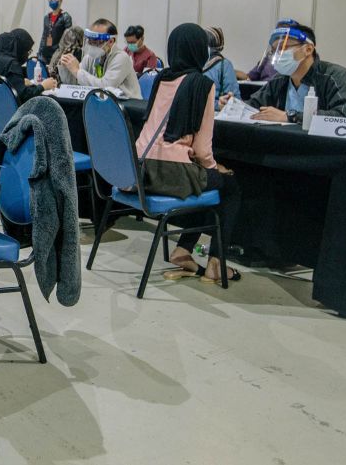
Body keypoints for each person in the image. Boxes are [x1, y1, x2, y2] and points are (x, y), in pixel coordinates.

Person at [137, 23, 242, 284]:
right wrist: (214, 168)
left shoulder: (161, 79)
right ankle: (216, 263)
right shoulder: (202, 84)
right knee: (228, 186)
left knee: (202, 185)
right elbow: (203, 150)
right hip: (171, 174)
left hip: (139, 170)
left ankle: (184, 251)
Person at [224, 22, 346, 124]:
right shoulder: (279, 79)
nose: (277, 54)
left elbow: (345, 117)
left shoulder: (336, 76)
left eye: (284, 47)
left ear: (308, 49)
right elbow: (253, 105)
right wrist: (233, 106)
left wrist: (289, 116)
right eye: (274, 50)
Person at [0, 29, 54, 134]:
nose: (27, 55)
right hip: (2, 126)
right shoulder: (11, 64)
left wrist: (19, 83)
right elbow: (24, 95)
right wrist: (43, 86)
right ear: (19, 48)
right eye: (27, 51)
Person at [58, 19, 142, 99]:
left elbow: (106, 87)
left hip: (128, 105)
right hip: (103, 103)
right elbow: (76, 84)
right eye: (89, 41)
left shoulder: (121, 58)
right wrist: (66, 68)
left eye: (96, 41)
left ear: (110, 41)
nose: (91, 45)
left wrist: (77, 71)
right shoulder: (90, 57)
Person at [203, 26, 241, 106]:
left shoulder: (224, 65)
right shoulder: (196, 63)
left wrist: (217, 105)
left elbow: (234, 99)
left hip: (215, 112)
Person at [38, 0, 73, 64]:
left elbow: (69, 38)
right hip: (45, 54)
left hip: (58, 55)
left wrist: (65, 55)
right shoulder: (46, 17)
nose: (52, 1)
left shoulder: (65, 17)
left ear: (60, 1)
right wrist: (39, 53)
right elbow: (44, 36)